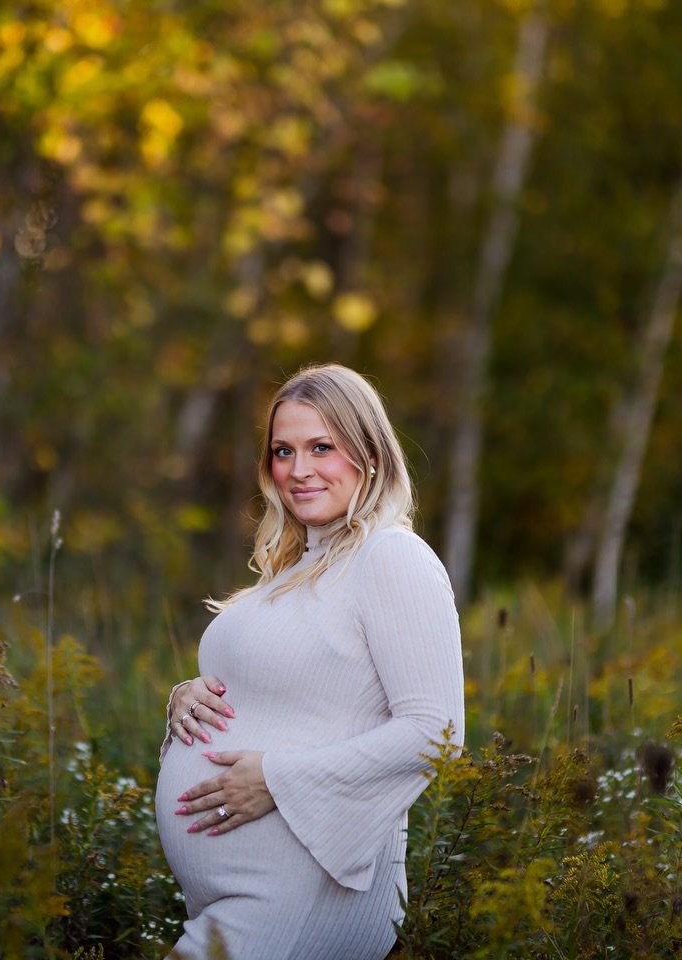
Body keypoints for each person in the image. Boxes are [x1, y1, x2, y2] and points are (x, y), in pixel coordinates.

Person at [154, 363, 465, 959]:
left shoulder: (391, 556)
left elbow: (436, 733)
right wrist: (186, 697)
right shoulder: (298, 568)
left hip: (310, 883)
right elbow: (283, 688)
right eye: (283, 451)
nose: (298, 470)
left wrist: (278, 777)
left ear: (369, 452)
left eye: (321, 447)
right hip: (242, 891)